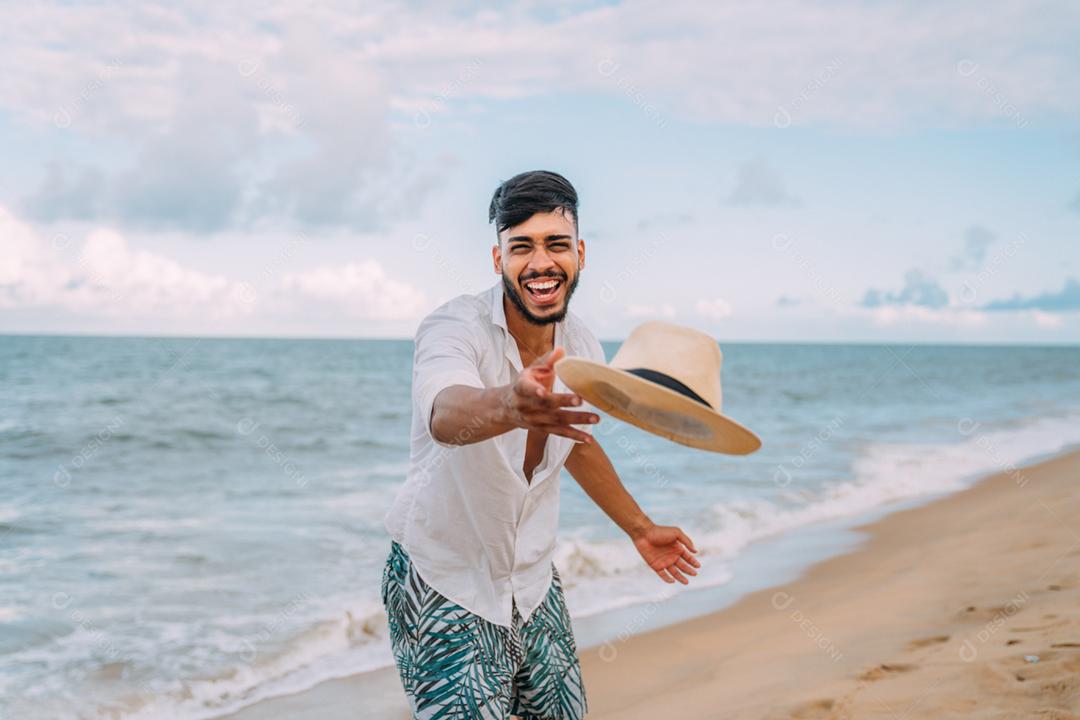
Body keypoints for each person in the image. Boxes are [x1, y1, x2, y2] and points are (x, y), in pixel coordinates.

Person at [381, 169, 700, 719]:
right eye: (520, 246)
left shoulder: (580, 344)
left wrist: (640, 529)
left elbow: (574, 439)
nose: (540, 263)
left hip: (532, 582)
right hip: (445, 580)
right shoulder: (453, 327)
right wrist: (510, 404)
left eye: (556, 244)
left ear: (579, 254)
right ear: (497, 259)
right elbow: (443, 411)